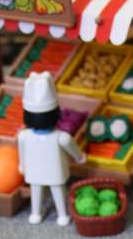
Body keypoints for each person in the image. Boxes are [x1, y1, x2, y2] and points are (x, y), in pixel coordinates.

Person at [17, 72, 86, 226]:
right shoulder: (62, 137)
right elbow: (74, 151)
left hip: (34, 171)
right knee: (57, 190)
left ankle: (36, 214)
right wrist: (80, 158)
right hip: (55, 171)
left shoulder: (23, 136)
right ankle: (62, 215)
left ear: (27, 116)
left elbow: (22, 153)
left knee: (36, 191)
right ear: (56, 114)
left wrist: (22, 165)